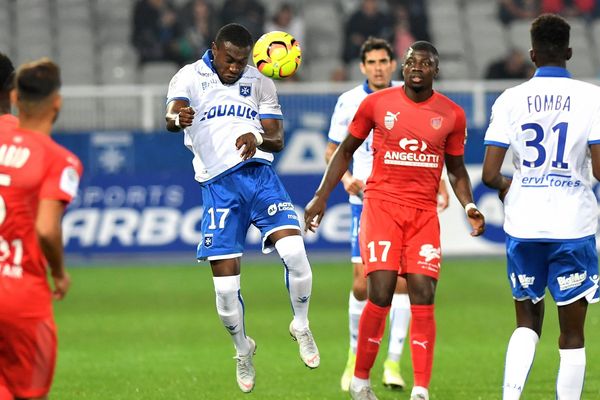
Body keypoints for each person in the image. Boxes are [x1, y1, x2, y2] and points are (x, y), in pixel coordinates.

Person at [305, 41, 485, 400]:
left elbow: (458, 170)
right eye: (410, 61)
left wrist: (468, 205)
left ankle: (420, 388)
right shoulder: (375, 105)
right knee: (381, 291)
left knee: (423, 292)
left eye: (425, 62)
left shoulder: (451, 114)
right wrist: (321, 195)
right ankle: (360, 380)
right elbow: (344, 151)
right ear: (402, 68)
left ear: (436, 70)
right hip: (382, 208)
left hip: (422, 215)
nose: (416, 66)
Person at [164, 23, 319, 394]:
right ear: (214, 49)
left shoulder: (261, 82)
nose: (235, 67)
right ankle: (242, 349)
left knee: (296, 252)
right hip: (219, 188)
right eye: (229, 59)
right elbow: (172, 115)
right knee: (225, 291)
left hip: (261, 178)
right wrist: (178, 119)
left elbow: (277, 138)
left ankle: (300, 324)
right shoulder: (189, 76)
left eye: (242, 60)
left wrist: (257, 136)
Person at [482, 14, 599, 400]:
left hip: (525, 223)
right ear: (568, 50)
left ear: (532, 54)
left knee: (527, 323)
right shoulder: (592, 97)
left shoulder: (510, 99)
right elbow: (599, 169)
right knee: (573, 334)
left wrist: (508, 186)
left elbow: (489, 173)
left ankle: (510, 397)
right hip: (573, 225)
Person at [327, 37, 449, 393]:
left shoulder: (408, 96)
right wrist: (347, 179)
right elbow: (334, 149)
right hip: (366, 202)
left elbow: (425, 147)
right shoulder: (349, 101)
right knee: (363, 284)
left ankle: (393, 361)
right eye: (372, 62)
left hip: (408, 200)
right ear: (363, 67)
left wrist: (438, 180)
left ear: (393, 64)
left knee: (404, 282)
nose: (379, 67)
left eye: (384, 60)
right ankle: (355, 356)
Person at [0, 58, 83, 400]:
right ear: (57, 102)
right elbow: (47, 229)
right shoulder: (60, 160)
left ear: (16, 97)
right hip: (21, 293)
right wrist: (59, 272)